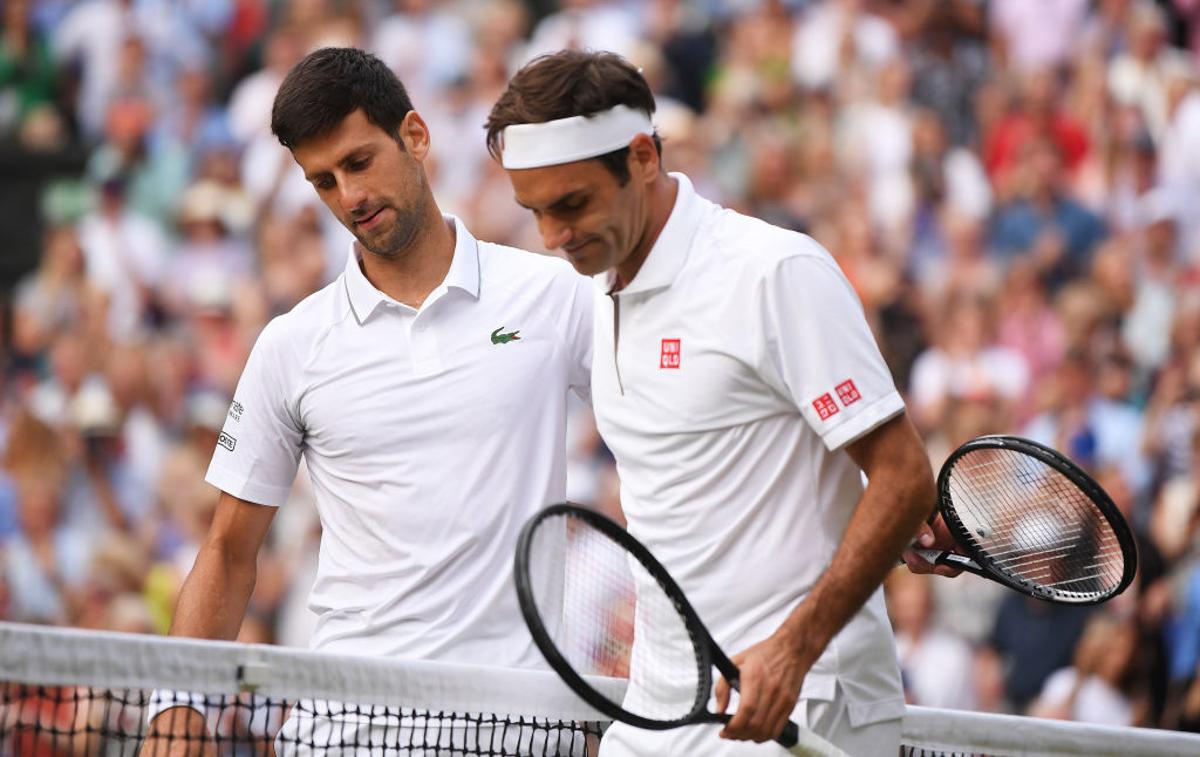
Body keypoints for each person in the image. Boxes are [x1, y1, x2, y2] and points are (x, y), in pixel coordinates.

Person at [486, 49, 938, 756]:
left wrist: (794, 646)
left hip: (802, 696)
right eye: (535, 212)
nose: (554, 236)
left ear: (641, 157)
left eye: (571, 204)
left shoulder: (774, 272)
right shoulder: (594, 287)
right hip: (659, 702)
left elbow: (904, 475)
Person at [144, 47, 592, 753]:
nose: (347, 197)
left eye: (358, 163)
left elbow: (669, 429)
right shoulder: (292, 344)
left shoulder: (554, 296)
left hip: (522, 727)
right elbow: (229, 551)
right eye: (322, 180)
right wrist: (176, 711)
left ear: (415, 136)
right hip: (346, 731)